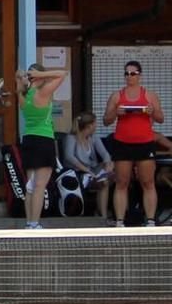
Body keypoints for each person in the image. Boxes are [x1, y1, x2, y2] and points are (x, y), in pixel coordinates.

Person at [105, 60, 165, 226]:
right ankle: (119, 221)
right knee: (122, 182)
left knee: (147, 181)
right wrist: (116, 112)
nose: (129, 77)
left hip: (145, 143)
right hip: (123, 143)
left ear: (139, 75)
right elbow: (106, 120)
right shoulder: (117, 95)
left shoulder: (150, 95)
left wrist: (153, 111)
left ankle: (151, 220)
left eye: (132, 73)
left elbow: (160, 119)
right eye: (126, 73)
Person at [13, 63, 66, 229]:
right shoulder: (42, 93)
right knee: (39, 186)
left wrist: (24, 77)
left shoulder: (23, 94)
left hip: (28, 139)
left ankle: (30, 222)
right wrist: (41, 75)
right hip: (43, 140)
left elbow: (19, 80)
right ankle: (35, 223)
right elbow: (62, 73)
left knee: (30, 185)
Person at [60, 113, 115, 223]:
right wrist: (87, 171)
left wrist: (108, 163)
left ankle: (102, 215)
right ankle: (103, 216)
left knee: (108, 174)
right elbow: (69, 157)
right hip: (78, 173)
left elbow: (105, 154)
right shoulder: (71, 138)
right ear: (89, 126)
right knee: (103, 183)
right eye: (95, 124)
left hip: (92, 170)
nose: (96, 126)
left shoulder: (93, 138)